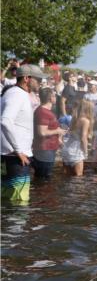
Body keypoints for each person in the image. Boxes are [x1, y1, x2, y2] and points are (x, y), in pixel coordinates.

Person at [1, 64, 45, 202]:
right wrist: (18, 150)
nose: (41, 83)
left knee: (8, 201)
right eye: (38, 79)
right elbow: (5, 121)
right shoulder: (17, 95)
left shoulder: (16, 94)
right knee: (19, 202)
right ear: (26, 78)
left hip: (11, 155)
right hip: (15, 157)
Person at [31, 88, 65, 180]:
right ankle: (42, 194)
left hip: (47, 150)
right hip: (44, 151)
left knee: (43, 178)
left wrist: (59, 137)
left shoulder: (44, 111)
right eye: (54, 95)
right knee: (43, 179)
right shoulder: (43, 112)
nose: (56, 98)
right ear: (51, 98)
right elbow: (42, 132)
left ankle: (41, 193)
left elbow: (48, 128)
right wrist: (58, 131)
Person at [62, 98, 93, 176]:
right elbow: (83, 138)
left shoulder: (74, 118)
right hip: (76, 150)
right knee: (78, 177)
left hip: (67, 148)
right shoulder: (86, 121)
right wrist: (86, 153)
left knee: (67, 176)